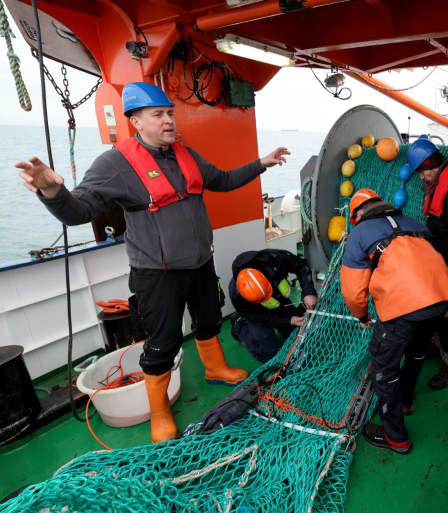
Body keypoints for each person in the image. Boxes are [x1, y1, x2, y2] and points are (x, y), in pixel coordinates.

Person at [15, 82, 290, 443]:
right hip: (156, 274)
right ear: (136, 121)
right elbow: (79, 210)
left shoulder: (185, 154)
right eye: (158, 115)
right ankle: (159, 412)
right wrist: (53, 191)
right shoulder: (115, 164)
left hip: (199, 264)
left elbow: (222, 180)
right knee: (163, 342)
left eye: (170, 113)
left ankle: (215, 368)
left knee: (209, 319)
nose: (169, 121)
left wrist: (262, 164)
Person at [340, 188, 448, 453]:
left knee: (384, 368)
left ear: (357, 214)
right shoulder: (414, 224)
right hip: (441, 297)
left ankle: (396, 437)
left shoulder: (360, 233)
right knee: (416, 352)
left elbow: (352, 289)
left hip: (405, 305)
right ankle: (405, 401)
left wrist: (362, 316)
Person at [407, 138, 448, 390]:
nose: (423, 177)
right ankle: (437, 346)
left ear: (432, 164)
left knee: (447, 315)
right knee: (432, 309)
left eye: (424, 172)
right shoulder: (440, 180)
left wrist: (447, 270)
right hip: (436, 260)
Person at [229, 249, 318, 362]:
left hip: (279, 300)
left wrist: (309, 292)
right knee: (268, 354)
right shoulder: (236, 294)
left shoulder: (275, 258)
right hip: (257, 313)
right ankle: (239, 324)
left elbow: (301, 266)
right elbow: (258, 317)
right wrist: (288, 320)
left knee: (295, 332)